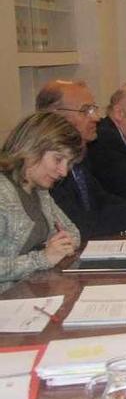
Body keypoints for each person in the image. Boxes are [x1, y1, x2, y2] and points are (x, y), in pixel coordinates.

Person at [37, 80, 126, 240]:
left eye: (93, 109)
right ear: (54, 115)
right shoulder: (45, 163)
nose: (96, 117)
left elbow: (99, 198)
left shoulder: (79, 156)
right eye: (85, 110)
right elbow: (77, 224)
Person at [0, 112, 81, 287]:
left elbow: (73, 233)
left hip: (29, 293)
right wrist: (42, 258)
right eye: (58, 159)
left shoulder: (40, 191)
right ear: (31, 147)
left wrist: (58, 247)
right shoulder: (3, 194)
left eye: (68, 163)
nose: (63, 172)